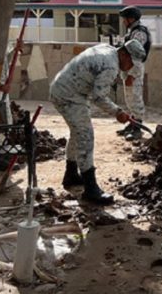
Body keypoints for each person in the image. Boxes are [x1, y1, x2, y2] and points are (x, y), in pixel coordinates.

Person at [50, 40, 146, 205]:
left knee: (77, 131)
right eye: (131, 63)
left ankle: (71, 174)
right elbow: (98, 97)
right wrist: (118, 112)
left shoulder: (107, 50)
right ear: (124, 53)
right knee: (86, 135)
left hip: (65, 89)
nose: (130, 68)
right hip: (69, 96)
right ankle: (91, 189)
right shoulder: (111, 66)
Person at [116, 6, 151, 141]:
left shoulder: (139, 33)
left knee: (135, 99)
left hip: (134, 69)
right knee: (129, 99)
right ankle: (132, 124)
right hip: (128, 68)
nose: (124, 21)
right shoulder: (133, 31)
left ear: (131, 19)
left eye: (125, 19)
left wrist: (131, 75)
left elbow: (137, 56)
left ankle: (137, 128)